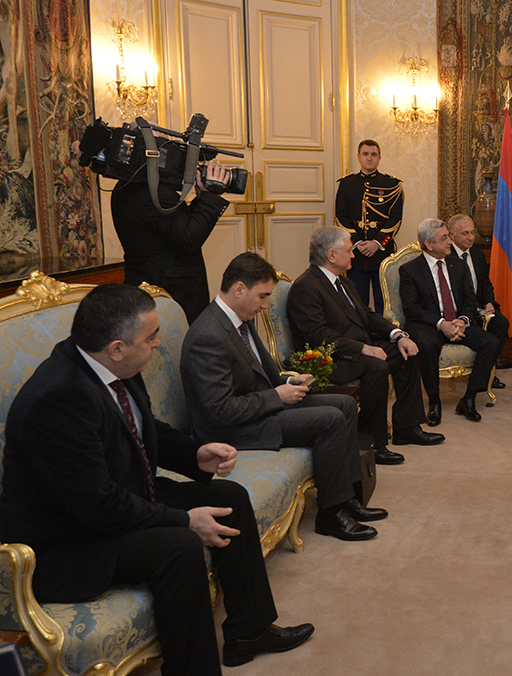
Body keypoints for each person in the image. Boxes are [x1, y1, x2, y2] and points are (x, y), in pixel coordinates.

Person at [0, 284, 313, 675]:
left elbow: (145, 428)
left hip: (117, 496)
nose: (159, 344)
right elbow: (98, 505)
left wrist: (195, 455)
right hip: (71, 537)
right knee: (179, 546)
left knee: (228, 497)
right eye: (150, 338)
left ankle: (250, 631)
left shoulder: (112, 366)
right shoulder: (59, 399)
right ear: (117, 347)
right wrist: (184, 520)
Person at [180, 252, 386, 541]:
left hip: (258, 408)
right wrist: (277, 396)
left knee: (345, 404)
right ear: (239, 289)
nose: (266, 305)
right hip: (233, 429)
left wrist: (289, 380)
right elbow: (220, 411)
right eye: (262, 296)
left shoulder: (239, 318)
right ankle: (331, 514)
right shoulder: (209, 335)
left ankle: (348, 497)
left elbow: (260, 374)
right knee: (329, 419)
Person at [286, 227, 444, 465]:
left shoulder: (343, 282)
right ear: (331, 255)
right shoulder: (306, 286)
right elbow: (318, 335)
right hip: (331, 358)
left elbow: (367, 315)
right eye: (349, 251)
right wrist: (363, 349)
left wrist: (398, 335)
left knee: (407, 352)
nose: (353, 255)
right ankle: (372, 443)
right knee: (376, 366)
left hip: (356, 348)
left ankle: (407, 428)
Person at [399, 218, 501, 425]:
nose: (449, 242)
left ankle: (469, 398)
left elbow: (470, 300)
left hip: (457, 322)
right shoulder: (410, 270)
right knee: (427, 345)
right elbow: (411, 308)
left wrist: (462, 320)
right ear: (429, 244)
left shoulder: (458, 265)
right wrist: (441, 323)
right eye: (444, 238)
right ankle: (434, 402)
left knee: (491, 342)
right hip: (429, 324)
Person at [111, 159, 232, 325]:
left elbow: (173, 228)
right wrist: (211, 198)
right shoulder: (155, 193)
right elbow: (189, 239)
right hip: (171, 295)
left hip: (144, 285)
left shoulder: (124, 186)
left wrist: (202, 199)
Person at [335, 139, 403, 314]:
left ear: (379, 157)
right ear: (358, 157)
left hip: (382, 254)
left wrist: (377, 243)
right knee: (357, 303)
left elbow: (395, 218)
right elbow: (341, 217)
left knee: (385, 303)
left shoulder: (392, 185)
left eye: (373, 154)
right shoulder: (346, 184)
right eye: (365, 154)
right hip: (355, 254)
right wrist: (357, 242)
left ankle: (385, 331)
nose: (369, 158)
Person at [446, 213, 510, 390]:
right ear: (451, 235)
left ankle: (487, 371)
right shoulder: (446, 257)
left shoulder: (477, 255)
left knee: (501, 322)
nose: (471, 237)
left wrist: (489, 302)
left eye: (472, 233)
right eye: (465, 233)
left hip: (480, 307)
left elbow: (485, 283)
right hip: (459, 312)